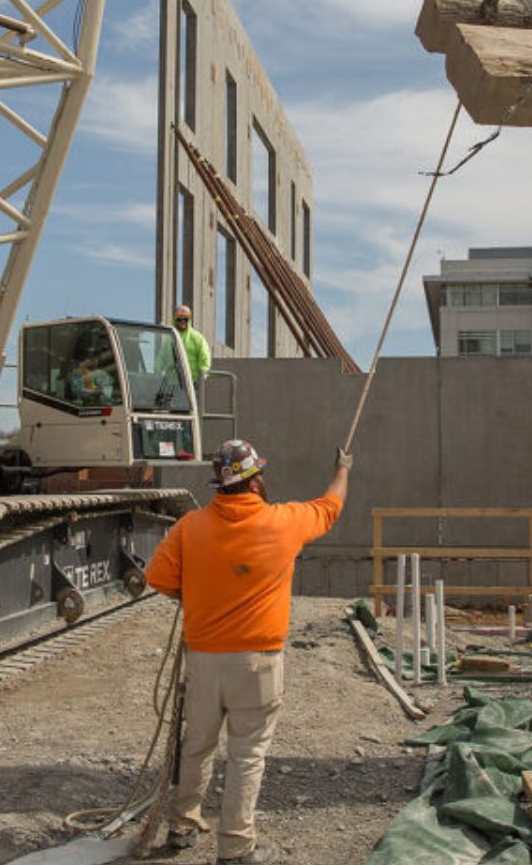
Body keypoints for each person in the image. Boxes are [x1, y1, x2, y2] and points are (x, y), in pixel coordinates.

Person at [145, 438, 353, 864]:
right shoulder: (285, 522)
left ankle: (183, 826)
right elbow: (331, 506)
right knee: (246, 755)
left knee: (197, 744)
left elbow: (158, 578)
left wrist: (201, 597)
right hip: (258, 662)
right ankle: (235, 847)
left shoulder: (190, 527)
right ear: (255, 481)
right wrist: (343, 469)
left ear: (219, 485)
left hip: (203, 659)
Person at [173, 303, 210, 385]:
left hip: (191, 384)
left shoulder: (197, 338)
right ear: (175, 320)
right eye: (179, 319)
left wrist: (202, 375)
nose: (182, 322)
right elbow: (161, 359)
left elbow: (204, 358)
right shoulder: (170, 338)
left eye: (185, 319)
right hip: (172, 384)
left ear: (189, 320)